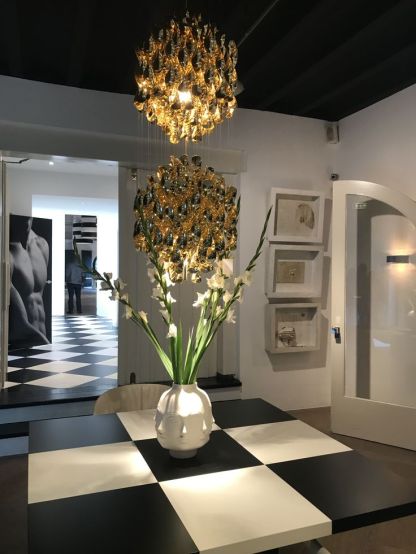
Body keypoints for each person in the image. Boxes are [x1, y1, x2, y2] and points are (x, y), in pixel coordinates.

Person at [9, 215, 50, 347]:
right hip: (19, 344)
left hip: (42, 336)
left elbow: (41, 296)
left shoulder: (42, 245)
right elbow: (20, 323)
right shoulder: (6, 251)